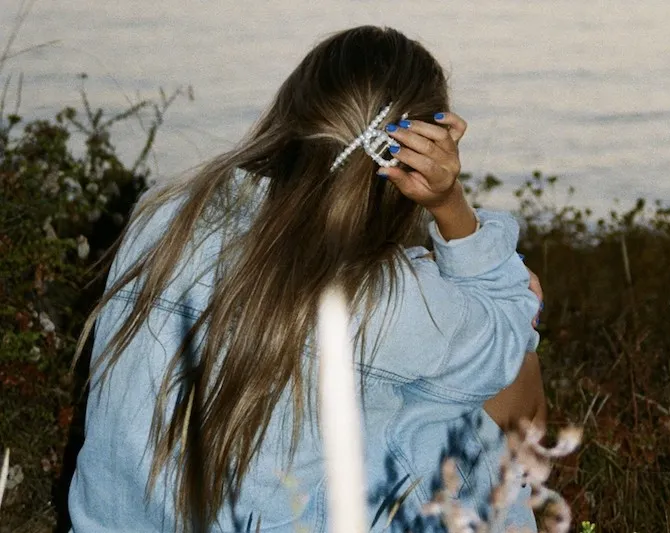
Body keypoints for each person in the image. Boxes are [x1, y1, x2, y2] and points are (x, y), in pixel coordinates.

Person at [68, 25, 545, 533]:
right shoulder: (388, 301)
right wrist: (451, 207)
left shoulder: (165, 213)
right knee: (483, 402)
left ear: (291, 112)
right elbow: (506, 353)